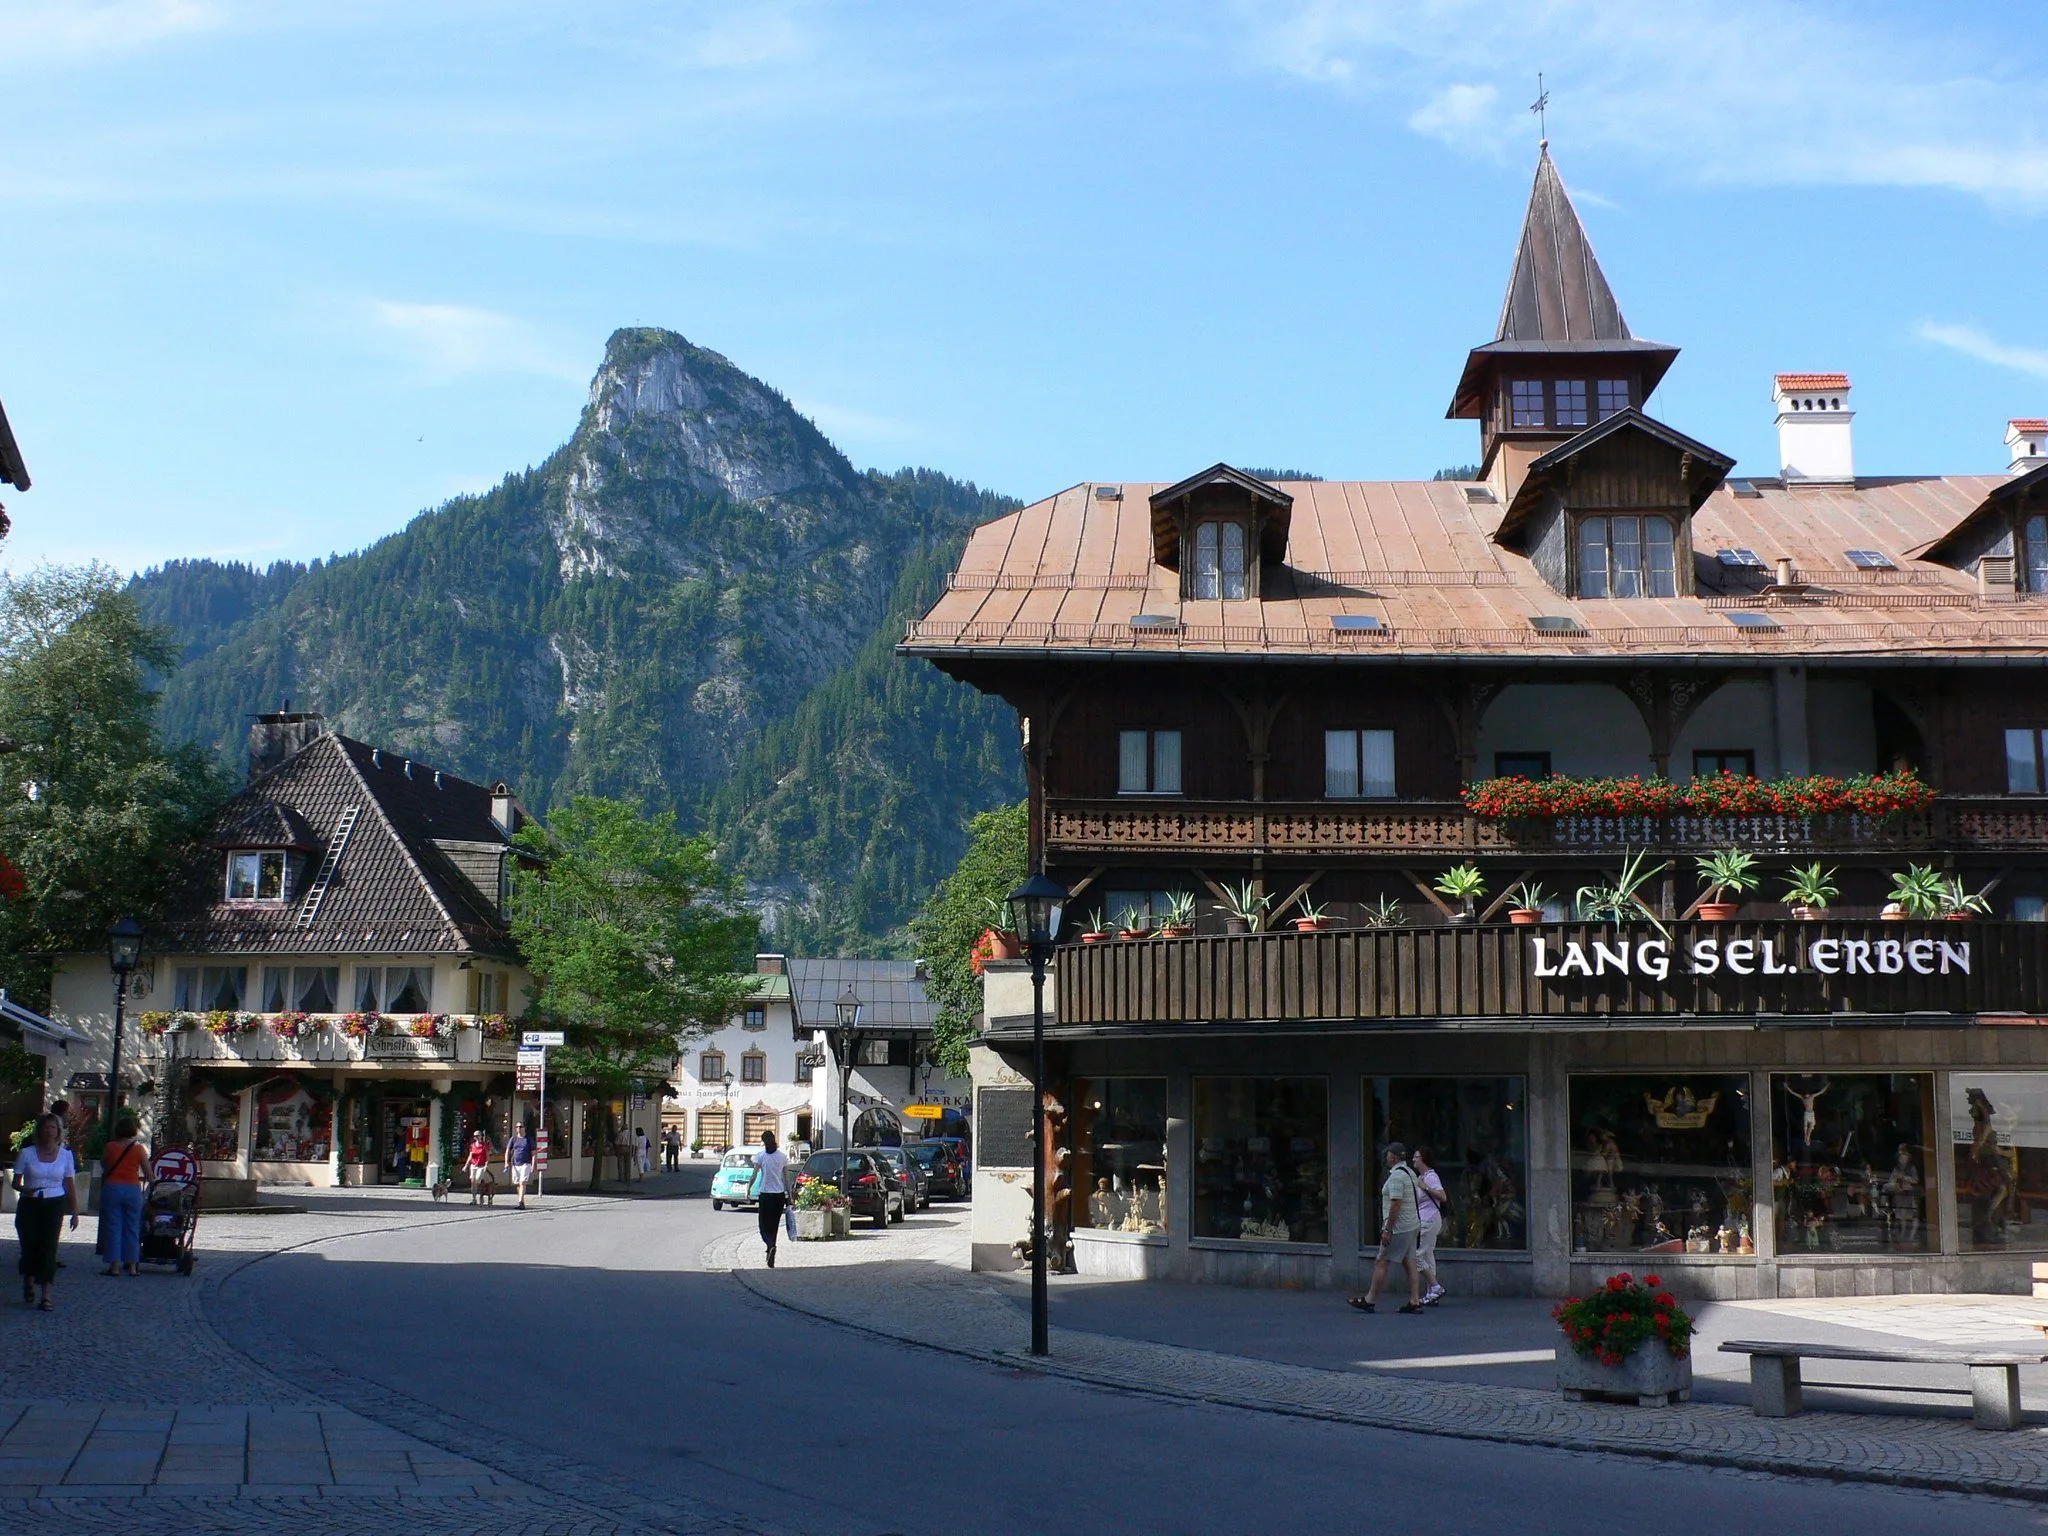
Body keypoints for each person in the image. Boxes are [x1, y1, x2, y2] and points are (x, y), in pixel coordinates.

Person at [13, 1113, 80, 1309]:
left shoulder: (65, 1155)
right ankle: (28, 1278)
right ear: (39, 1130)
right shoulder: (26, 1153)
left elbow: (70, 1183)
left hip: (54, 1203)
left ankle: (46, 1295)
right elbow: (15, 1182)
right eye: (45, 1127)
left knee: (49, 1247)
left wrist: (75, 1211)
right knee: (30, 1245)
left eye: (53, 1127)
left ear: (58, 1131)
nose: (49, 1131)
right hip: (30, 1204)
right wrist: (24, 1189)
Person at [1350, 1141, 1424, 1314]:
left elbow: (1396, 1203)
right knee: (1410, 1262)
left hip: (1399, 1228)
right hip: (1412, 1224)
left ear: (1393, 1157)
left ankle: (1369, 1300)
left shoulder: (1396, 1177)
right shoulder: (1410, 1172)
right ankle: (1415, 1300)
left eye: (1388, 1154)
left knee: (1381, 1261)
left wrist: (1388, 1229)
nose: (1386, 1157)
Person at [98, 1112, 147, 1277]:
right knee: (132, 1228)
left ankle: (115, 1266)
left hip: (113, 1188)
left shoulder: (110, 1147)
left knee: (113, 1227)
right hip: (132, 1189)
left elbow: (104, 1164)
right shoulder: (139, 1149)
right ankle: (132, 1267)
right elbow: (148, 1172)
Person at [1411, 1146, 1449, 1308]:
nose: (1413, 1159)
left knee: (1416, 1256)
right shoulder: (1421, 1177)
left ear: (1423, 1159)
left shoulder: (1431, 1177)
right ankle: (1431, 1294)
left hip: (1429, 1220)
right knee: (1427, 1255)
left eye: (1416, 1157)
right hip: (1426, 1219)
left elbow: (1443, 1197)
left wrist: (1425, 1186)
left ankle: (1435, 1286)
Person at [748, 1129, 788, 1269]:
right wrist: (790, 1195)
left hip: (765, 1194)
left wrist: (748, 1188)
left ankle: (770, 1245)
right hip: (779, 1195)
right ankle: (771, 1252)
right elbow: (786, 1178)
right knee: (774, 1225)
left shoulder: (760, 1156)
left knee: (763, 1225)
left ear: (763, 1142)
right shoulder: (782, 1157)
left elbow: (754, 1175)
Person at [506, 1120, 535, 1209]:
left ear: (524, 1128)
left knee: (522, 1182)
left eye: (521, 1127)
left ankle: (521, 1202)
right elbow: (507, 1151)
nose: (519, 1128)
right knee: (518, 1184)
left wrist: (533, 1165)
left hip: (525, 1163)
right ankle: (521, 1200)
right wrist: (506, 1162)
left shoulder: (528, 1139)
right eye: (517, 1127)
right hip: (515, 1164)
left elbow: (533, 1153)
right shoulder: (513, 1139)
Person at [464, 1129, 493, 1204]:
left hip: (481, 1166)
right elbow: (470, 1156)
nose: (476, 1137)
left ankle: (481, 1194)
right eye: (475, 1136)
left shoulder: (484, 1145)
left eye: (477, 1135)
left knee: (477, 1180)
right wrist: (466, 1166)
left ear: (481, 1136)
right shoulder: (472, 1145)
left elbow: (487, 1156)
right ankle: (474, 1199)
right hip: (473, 1165)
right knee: (472, 1182)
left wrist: (486, 1165)